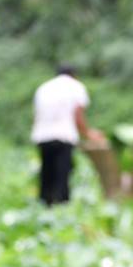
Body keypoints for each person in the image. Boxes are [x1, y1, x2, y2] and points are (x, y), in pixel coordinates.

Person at [31, 64, 98, 206]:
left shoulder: (43, 88)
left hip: (43, 135)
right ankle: (61, 204)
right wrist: (88, 133)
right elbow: (78, 115)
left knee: (47, 171)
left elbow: (36, 114)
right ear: (73, 75)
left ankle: (45, 203)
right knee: (63, 171)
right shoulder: (76, 86)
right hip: (64, 135)